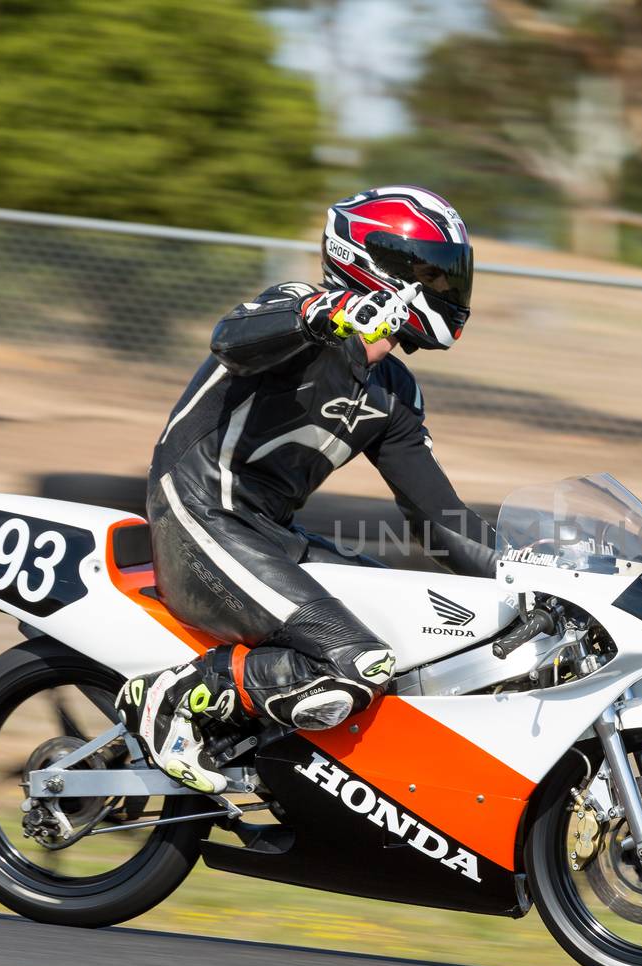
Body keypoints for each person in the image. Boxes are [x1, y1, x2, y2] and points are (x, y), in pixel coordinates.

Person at [114, 186, 495, 793]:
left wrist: (525, 574)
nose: (447, 290)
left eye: (450, 275)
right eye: (430, 273)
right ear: (380, 266)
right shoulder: (297, 311)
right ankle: (174, 695)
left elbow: (439, 519)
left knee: (407, 639)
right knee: (354, 658)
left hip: (267, 536)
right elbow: (231, 339)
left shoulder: (395, 392)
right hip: (200, 515)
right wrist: (321, 318)